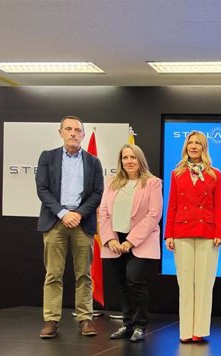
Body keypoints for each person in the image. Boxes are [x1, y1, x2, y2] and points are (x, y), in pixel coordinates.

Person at [36, 115, 104, 339]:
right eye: (69, 129)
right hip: (55, 221)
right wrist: (64, 213)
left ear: (83, 135)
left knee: (83, 274)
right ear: (61, 133)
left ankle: (85, 319)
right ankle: (51, 321)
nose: (73, 133)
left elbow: (97, 193)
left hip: (82, 223)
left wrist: (78, 214)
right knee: (53, 274)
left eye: (77, 130)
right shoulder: (48, 157)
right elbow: (43, 189)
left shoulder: (93, 162)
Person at [98, 144, 163, 342]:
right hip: (115, 240)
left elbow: (154, 215)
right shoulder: (111, 183)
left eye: (133, 157)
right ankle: (127, 324)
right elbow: (102, 212)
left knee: (134, 280)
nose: (129, 161)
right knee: (121, 284)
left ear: (140, 160)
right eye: (125, 158)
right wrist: (110, 239)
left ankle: (140, 325)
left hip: (140, 241)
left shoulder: (153, 183)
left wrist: (130, 241)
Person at [164, 131, 221, 343]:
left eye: (198, 143)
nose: (194, 146)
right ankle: (185, 331)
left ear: (204, 147)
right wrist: (168, 234)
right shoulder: (177, 174)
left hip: (207, 232)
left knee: (204, 283)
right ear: (186, 147)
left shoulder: (215, 174)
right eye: (190, 142)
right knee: (185, 283)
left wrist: (219, 233)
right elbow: (172, 205)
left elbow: (219, 207)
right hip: (182, 231)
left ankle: (199, 329)